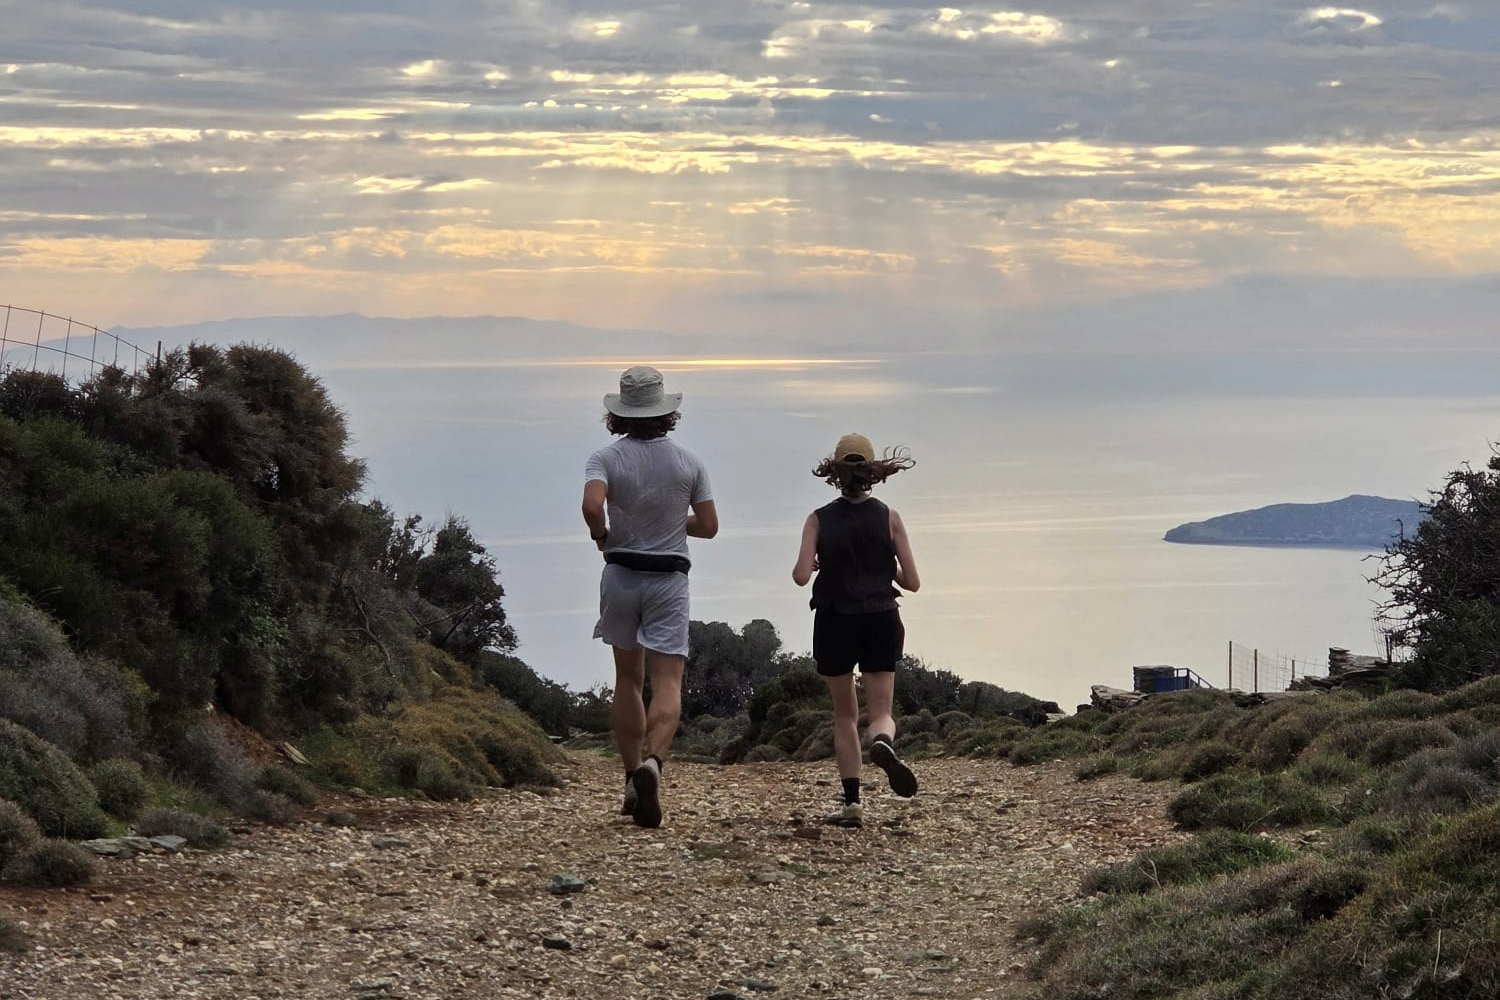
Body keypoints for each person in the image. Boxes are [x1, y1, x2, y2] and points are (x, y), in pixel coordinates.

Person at [582, 365, 718, 828]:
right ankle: (654, 765)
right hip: (668, 580)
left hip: (620, 574)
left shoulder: (605, 458)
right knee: (667, 683)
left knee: (626, 678)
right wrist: (675, 523)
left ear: (619, 413)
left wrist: (602, 532)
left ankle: (628, 777)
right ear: (666, 412)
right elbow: (710, 526)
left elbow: (591, 505)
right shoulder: (689, 463)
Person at [792, 433, 920, 828]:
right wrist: (887, 568)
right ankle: (882, 740)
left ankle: (852, 804)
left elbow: (799, 576)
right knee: (880, 710)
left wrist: (815, 564)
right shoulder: (889, 517)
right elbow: (912, 582)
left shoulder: (818, 518)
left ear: (834, 472)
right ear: (872, 472)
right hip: (881, 616)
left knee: (844, 714)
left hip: (834, 620)